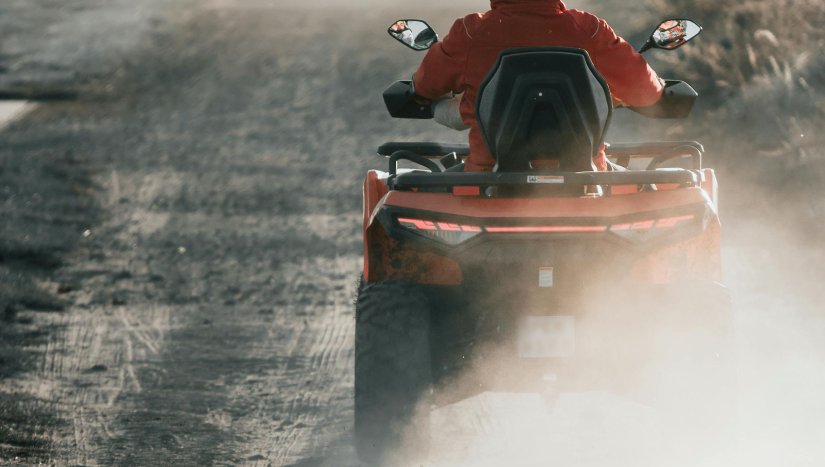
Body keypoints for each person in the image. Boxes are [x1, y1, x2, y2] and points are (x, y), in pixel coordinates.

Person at [412, 0, 664, 172]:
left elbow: (424, 87)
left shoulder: (470, 32)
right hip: (587, 183)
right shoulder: (589, 30)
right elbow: (648, 94)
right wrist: (660, 86)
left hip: (488, 180)